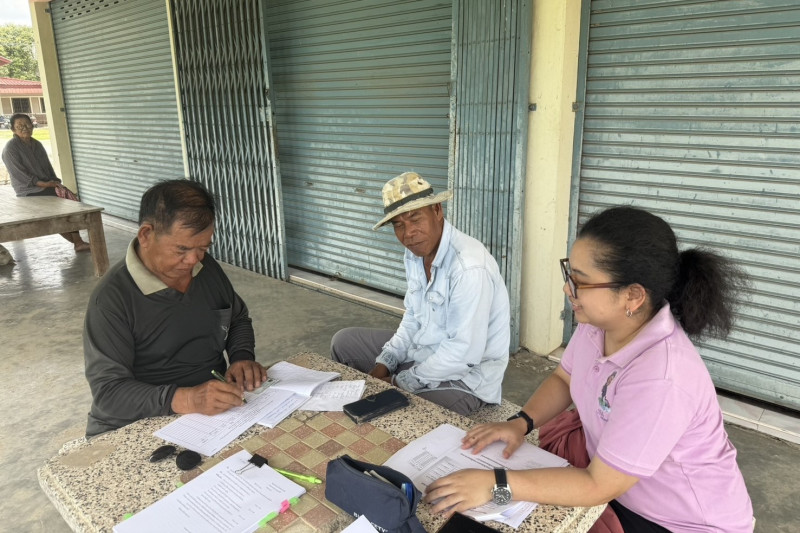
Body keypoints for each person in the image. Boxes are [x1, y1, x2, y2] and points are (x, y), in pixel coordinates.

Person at [423, 205, 754, 532]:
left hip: (675, 520)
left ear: (633, 296)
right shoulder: (598, 323)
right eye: (569, 273)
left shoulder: (662, 376)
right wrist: (521, 423)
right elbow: (564, 378)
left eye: (580, 281)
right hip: (617, 484)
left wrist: (495, 484)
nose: (568, 289)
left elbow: (598, 485)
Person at [83, 179, 267, 437]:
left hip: (212, 416)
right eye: (182, 249)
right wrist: (189, 399)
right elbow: (109, 393)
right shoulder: (112, 300)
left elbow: (237, 319)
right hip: (135, 424)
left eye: (203, 247)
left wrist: (241, 357)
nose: (193, 260)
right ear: (146, 235)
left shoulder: (206, 268)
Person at [330, 172, 510, 416]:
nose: (408, 233)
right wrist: (386, 362)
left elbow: (463, 353)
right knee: (344, 342)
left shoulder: (469, 267)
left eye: (415, 218)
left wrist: (399, 381)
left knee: (401, 414)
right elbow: (413, 317)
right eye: (398, 225)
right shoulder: (415, 253)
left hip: (465, 378)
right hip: (423, 354)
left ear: (437, 210)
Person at [2, 113, 90, 252]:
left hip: (46, 186)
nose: (25, 128)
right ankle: (78, 242)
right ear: (13, 129)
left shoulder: (37, 144)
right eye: (20, 126)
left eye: (27, 124)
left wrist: (55, 182)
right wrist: (46, 184)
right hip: (28, 191)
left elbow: (48, 168)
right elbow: (22, 176)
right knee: (61, 209)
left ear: (32, 126)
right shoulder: (10, 149)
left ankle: (78, 242)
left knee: (70, 202)